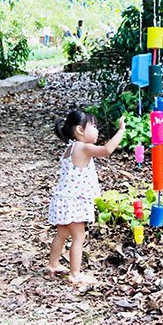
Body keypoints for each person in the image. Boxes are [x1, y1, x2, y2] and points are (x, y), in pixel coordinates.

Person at [47, 110, 126, 285]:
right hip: (74, 201)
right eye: (94, 126)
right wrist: (120, 130)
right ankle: (75, 274)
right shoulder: (83, 147)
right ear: (80, 130)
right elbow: (107, 149)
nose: (97, 131)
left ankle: (53, 264)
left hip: (63, 200)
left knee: (61, 235)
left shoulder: (70, 147)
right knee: (78, 237)